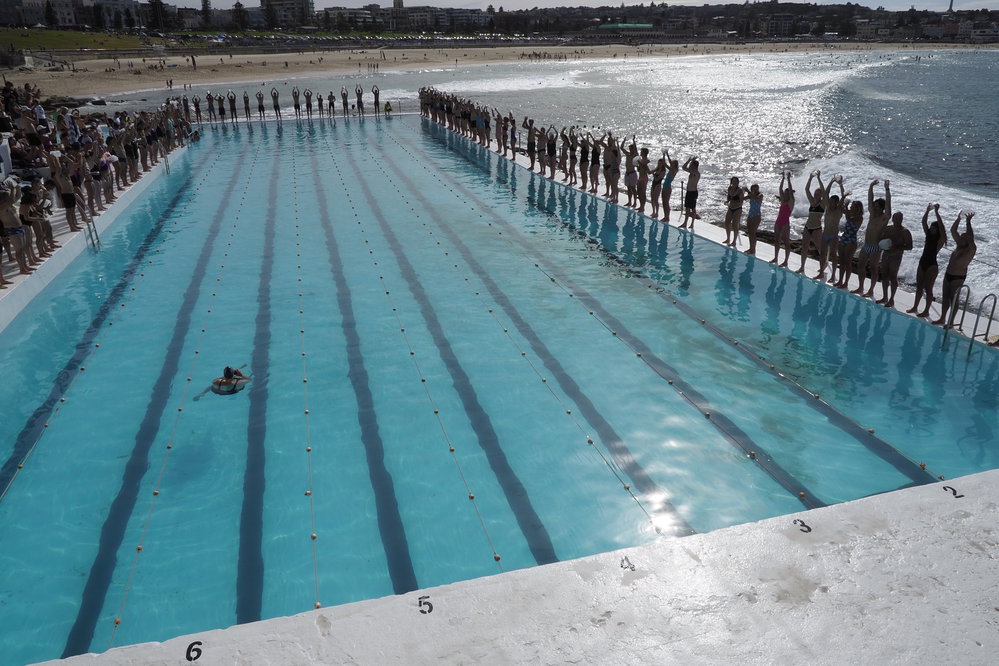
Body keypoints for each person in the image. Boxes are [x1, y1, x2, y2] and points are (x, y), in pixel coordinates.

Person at [934, 210, 977, 328]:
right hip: (948, 274)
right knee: (945, 297)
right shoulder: (959, 246)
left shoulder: (970, 250)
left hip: (958, 277)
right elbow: (953, 231)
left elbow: (970, 237)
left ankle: (951, 322)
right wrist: (958, 219)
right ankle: (942, 318)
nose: (961, 237)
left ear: (968, 240)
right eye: (961, 237)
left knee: (954, 299)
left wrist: (968, 222)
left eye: (964, 237)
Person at [852, 179, 891, 298]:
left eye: (876, 206)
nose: (874, 207)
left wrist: (887, 189)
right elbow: (869, 200)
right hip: (866, 245)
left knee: (873, 269)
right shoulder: (872, 215)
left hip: (875, 248)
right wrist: (870, 186)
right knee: (860, 266)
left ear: (881, 208)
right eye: (874, 206)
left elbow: (889, 205)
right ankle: (860, 287)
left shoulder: (884, 218)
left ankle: (871, 290)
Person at [907, 203, 947, 318]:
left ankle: (926, 310)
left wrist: (937, 212)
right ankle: (915, 306)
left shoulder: (940, 240)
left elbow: (943, 230)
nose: (932, 229)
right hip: (922, 262)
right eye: (932, 227)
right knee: (919, 286)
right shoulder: (928, 236)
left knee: (928, 288)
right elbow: (923, 222)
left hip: (932, 265)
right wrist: (927, 211)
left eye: (934, 228)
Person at [876, 210, 913, 308]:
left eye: (899, 218)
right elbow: (880, 239)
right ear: (892, 218)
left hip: (896, 256)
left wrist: (897, 246)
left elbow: (910, 246)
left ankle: (891, 299)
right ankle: (885, 297)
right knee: (884, 276)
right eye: (895, 218)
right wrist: (882, 243)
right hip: (886, 254)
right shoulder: (888, 229)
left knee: (893, 277)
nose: (897, 220)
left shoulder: (905, 232)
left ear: (902, 219)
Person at [815, 175, 846, 282]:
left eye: (833, 202)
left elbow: (843, 196)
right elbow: (826, 193)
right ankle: (821, 272)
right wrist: (831, 182)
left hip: (833, 235)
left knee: (833, 255)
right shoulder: (828, 208)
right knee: (822, 254)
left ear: (836, 203)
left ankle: (833, 276)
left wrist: (841, 185)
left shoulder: (839, 210)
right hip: (825, 234)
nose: (831, 203)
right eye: (830, 202)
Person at [797, 171, 825, 274]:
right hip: (807, 227)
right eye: (815, 193)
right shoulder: (812, 202)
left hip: (816, 228)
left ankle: (824, 264)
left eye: (818, 194)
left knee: (819, 247)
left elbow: (825, 192)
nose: (816, 195)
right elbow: (806, 189)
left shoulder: (822, 204)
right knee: (804, 247)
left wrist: (819, 178)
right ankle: (802, 267)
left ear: (821, 195)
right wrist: (810, 178)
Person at [770, 172, 794, 267]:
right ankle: (776, 257)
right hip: (778, 221)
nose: (785, 194)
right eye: (785, 193)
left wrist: (788, 180)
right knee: (777, 240)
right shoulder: (783, 201)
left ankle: (786, 261)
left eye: (788, 193)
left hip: (785, 223)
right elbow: (780, 189)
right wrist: (782, 178)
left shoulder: (791, 202)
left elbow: (790, 192)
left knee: (786, 242)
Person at [723, 176, 746, 247]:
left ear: (738, 182)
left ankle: (734, 241)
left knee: (735, 225)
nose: (734, 182)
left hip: (737, 208)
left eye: (736, 181)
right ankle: (728, 238)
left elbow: (741, 201)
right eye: (733, 181)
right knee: (727, 223)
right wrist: (727, 201)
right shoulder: (729, 188)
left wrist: (734, 201)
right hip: (730, 207)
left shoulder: (740, 190)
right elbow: (728, 197)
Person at [679, 156, 700, 229]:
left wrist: (692, 161)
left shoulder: (696, 173)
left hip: (693, 193)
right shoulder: (691, 173)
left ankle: (692, 223)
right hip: (689, 192)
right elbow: (684, 167)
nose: (690, 166)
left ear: (694, 166)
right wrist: (689, 160)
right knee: (687, 208)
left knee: (693, 208)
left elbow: (685, 168)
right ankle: (685, 223)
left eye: (691, 165)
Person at [744, 183, 763, 255]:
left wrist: (748, 191)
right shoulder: (750, 195)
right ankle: (750, 248)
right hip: (750, 214)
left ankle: (753, 249)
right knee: (750, 232)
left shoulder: (760, 195)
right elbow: (742, 199)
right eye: (753, 188)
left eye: (756, 188)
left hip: (756, 215)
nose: (755, 189)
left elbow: (756, 198)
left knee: (753, 232)